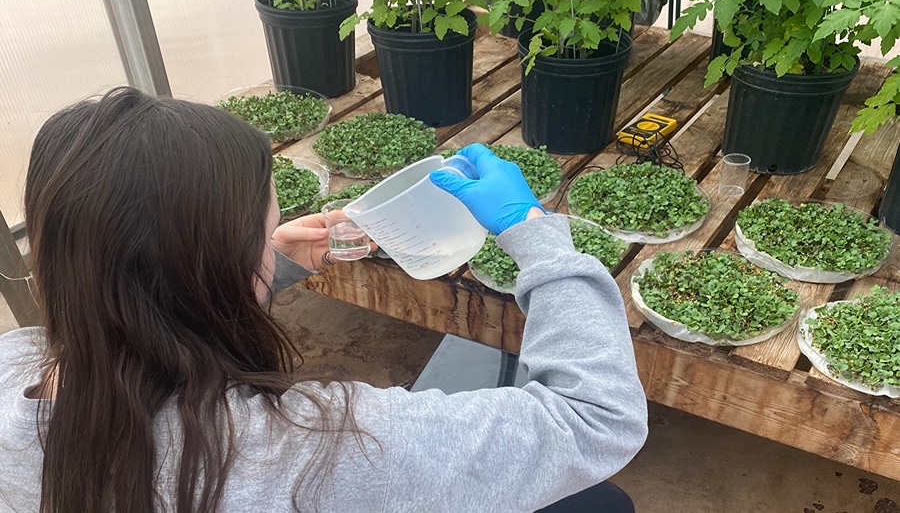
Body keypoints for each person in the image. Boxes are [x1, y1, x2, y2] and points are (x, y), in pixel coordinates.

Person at [0, 87, 648, 512]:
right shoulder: (317, 448)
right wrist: (536, 235)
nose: (271, 240)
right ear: (215, 269)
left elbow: (142, 303)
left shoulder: (13, 373)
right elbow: (595, 417)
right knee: (597, 503)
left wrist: (266, 266)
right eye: (261, 232)